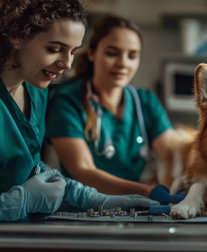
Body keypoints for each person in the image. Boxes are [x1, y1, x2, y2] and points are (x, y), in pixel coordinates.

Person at [0, 0, 159, 221]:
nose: (67, 64)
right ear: (17, 36)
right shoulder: (59, 94)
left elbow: (28, 167)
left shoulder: (36, 89)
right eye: (54, 49)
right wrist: (18, 201)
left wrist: (88, 198)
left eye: (73, 52)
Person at [45, 15, 184, 205]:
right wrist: (147, 192)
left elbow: (172, 155)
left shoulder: (146, 102)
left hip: (136, 210)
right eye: (112, 53)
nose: (123, 63)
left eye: (132, 55)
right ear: (92, 53)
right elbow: (83, 171)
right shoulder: (68, 100)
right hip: (83, 210)